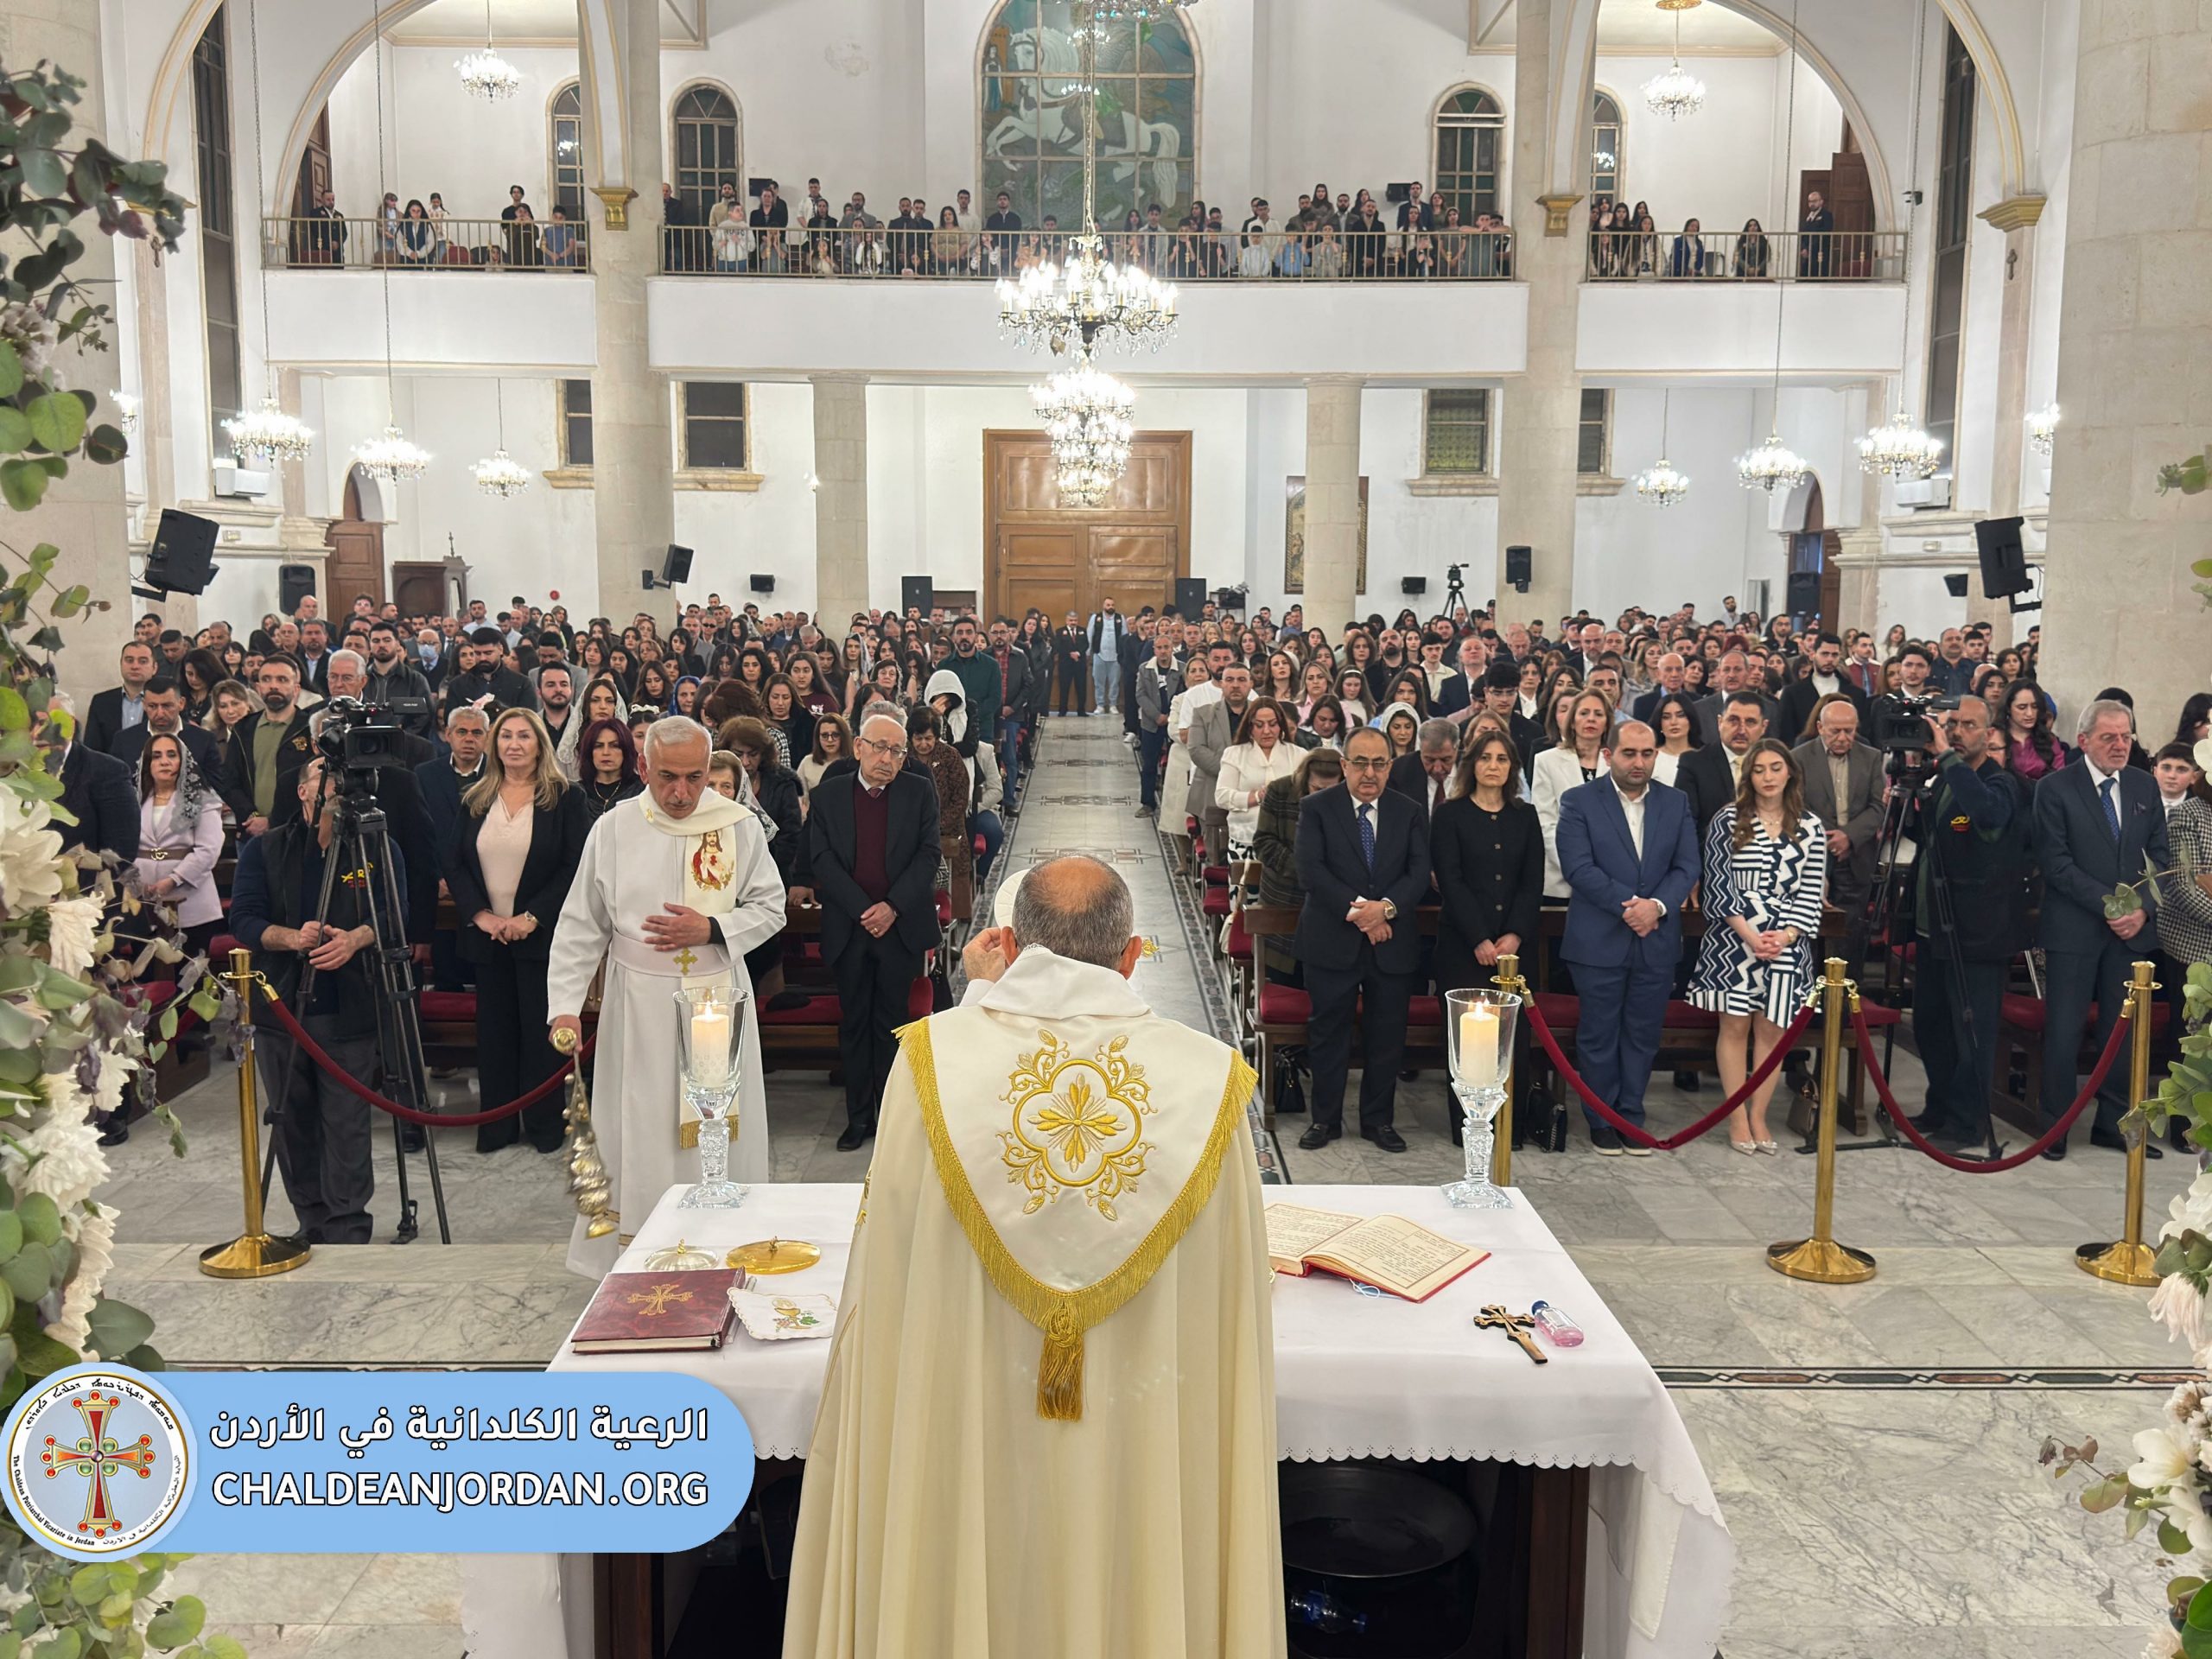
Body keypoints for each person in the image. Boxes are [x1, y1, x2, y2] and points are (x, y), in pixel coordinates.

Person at [783, 856, 1281, 1659]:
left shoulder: (931, 1062)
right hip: (1142, 1413)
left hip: (973, 1414)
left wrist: (979, 996)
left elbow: (890, 1268)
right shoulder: (1209, 1079)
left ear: (1010, 946)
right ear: (1132, 956)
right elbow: (1232, 1288)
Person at [545, 718, 785, 1275]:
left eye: (695, 778)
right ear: (643, 767)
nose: (681, 793)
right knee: (641, 1125)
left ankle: (721, 1245)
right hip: (638, 1005)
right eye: (667, 777)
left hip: (715, 998)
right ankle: (639, 1253)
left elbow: (771, 907)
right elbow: (582, 922)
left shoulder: (737, 826)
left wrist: (713, 928)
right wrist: (564, 1004)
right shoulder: (614, 828)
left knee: (716, 1126)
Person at [230, 759, 403, 1245]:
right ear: (303, 790)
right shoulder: (265, 849)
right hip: (282, 1007)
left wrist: (355, 939)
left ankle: (348, 1224)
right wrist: (291, 937)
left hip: (350, 1004)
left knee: (347, 1122)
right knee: (292, 1121)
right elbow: (243, 919)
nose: (337, 781)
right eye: (326, 773)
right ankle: (311, 1219)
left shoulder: (376, 845)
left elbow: (396, 913)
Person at [2033, 698, 2173, 1159]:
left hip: (2131, 933)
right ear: (2084, 740)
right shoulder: (2055, 788)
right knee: (2065, 1030)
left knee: (2123, 1030)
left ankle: (2113, 1124)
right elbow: (2056, 863)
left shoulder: (2143, 786)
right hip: (2074, 929)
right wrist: (2112, 906)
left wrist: (2143, 910)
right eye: (2109, 737)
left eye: (2126, 736)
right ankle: (2054, 1127)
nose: (2120, 745)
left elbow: (2161, 858)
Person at [797, 711, 942, 1149]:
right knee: (855, 1024)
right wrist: (866, 910)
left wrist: (892, 907)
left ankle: (893, 1120)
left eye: (897, 751)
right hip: (850, 927)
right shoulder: (829, 795)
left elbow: (928, 855)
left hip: (900, 928)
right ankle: (859, 1119)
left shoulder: (918, 791)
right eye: (880, 748)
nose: (887, 759)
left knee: (893, 1025)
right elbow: (822, 859)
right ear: (858, 747)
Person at [448, 709, 591, 1155]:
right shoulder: (475, 797)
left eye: (523, 736)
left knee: (538, 1036)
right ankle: (498, 1128)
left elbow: (574, 864)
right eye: (505, 736)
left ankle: (545, 1128)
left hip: (541, 936)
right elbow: (454, 862)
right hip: (488, 936)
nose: (513, 744)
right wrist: (481, 915)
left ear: (539, 744)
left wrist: (532, 917)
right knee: (494, 1036)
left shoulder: (565, 798)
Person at [1554, 721, 1700, 1153]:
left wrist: (1657, 907)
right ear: (1608, 755)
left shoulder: (1675, 802)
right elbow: (1578, 867)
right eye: (1629, 753)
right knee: (1599, 1034)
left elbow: (1687, 866)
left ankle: (1631, 1116)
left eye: (1647, 753)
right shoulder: (1578, 800)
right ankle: (1602, 1119)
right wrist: (1631, 907)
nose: (1639, 762)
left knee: (1642, 1033)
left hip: (1656, 938)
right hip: (1598, 939)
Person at [1293, 725, 1431, 1152]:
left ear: (1390, 767)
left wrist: (1385, 909)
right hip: (1331, 939)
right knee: (1328, 1032)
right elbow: (1311, 871)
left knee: (1386, 1035)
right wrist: (1363, 914)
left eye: (1378, 764)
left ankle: (1378, 1121)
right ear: (1344, 765)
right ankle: (1325, 1120)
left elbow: (1417, 873)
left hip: (1391, 942)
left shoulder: (1409, 811)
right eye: (1360, 763)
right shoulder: (1317, 807)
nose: (1369, 773)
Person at [1688, 740, 1827, 1152]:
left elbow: (1811, 891)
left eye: (1775, 768)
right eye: (1759, 769)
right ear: (1748, 776)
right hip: (1734, 940)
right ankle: (1736, 1118)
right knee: (1734, 1027)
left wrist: (1786, 935)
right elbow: (1718, 884)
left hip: (1787, 942)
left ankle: (1758, 1116)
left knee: (1772, 1030)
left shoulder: (1811, 826)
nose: (1768, 777)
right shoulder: (1728, 819)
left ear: (1790, 773)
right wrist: (1750, 935)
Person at [1906, 696, 2031, 1147]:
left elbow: (1988, 817)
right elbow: (1931, 838)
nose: (1958, 732)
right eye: (1952, 724)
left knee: (1970, 1032)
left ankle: (1968, 1123)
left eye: (1969, 725)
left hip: (1977, 933)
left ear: (1990, 733)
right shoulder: (1945, 778)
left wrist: (1947, 758)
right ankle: (1940, 1107)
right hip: (1935, 929)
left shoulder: (2001, 783)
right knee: (1930, 1025)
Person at [1431, 730, 1542, 1140]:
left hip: (1514, 951)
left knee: (1511, 1041)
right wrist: (1478, 937)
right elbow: (1451, 880)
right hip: (1462, 947)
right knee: (1466, 1043)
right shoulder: (1450, 815)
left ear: (1512, 767)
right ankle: (1469, 1127)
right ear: (1472, 764)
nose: (1493, 766)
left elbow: (1532, 882)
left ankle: (1511, 1128)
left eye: (1502, 759)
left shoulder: (1525, 816)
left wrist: (1514, 934)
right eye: (1485, 758)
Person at [1793, 696, 1885, 932]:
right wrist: (1831, 838)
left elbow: (1878, 806)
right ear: (1820, 727)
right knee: (1810, 931)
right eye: (1835, 731)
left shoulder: (1872, 757)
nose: (1843, 738)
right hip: (1812, 855)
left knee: (1851, 933)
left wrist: (1849, 837)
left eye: (1849, 731)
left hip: (1857, 855)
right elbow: (1796, 806)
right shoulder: (1798, 757)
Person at [133, 732, 224, 957]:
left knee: (188, 969)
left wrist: (173, 879)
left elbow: (209, 849)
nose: (164, 761)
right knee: (145, 971)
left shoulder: (202, 799)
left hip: (190, 898)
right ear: (147, 763)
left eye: (171, 755)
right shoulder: (134, 800)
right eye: (157, 756)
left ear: (183, 761)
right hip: (142, 899)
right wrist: (134, 882)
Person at [1213, 697, 1300, 852]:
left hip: (1289, 840)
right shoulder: (1234, 754)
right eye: (1259, 725)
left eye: (1273, 724)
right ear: (1250, 728)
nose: (1266, 731)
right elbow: (1222, 796)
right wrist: (1257, 797)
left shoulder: (1299, 755)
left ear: (1281, 726)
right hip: (1245, 839)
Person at [1133, 632, 1180, 817]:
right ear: (1154, 650)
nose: (1163, 651)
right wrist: (1156, 715)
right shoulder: (1145, 669)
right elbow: (1141, 695)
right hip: (1151, 723)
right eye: (1159, 648)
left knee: (1175, 765)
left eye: (1166, 647)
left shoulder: (1182, 669)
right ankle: (1148, 803)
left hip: (1174, 722)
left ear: (1172, 649)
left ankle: (1173, 806)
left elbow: (1182, 694)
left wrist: (1170, 716)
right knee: (1149, 765)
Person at [85, 639, 158, 755]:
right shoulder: (101, 702)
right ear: (121, 664)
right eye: (129, 660)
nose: (135, 666)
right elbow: (92, 749)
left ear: (154, 668)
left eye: (143, 661)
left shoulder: (164, 702)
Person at [1389, 716, 1459, 824]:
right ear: (1420, 749)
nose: (1437, 769)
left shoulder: (1473, 769)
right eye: (1430, 760)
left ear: (1456, 748)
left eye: (1445, 760)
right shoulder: (1398, 772)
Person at [573, 717, 643, 820]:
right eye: (598, 746)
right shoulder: (576, 793)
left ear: (626, 750)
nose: (606, 752)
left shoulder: (641, 791)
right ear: (590, 752)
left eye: (615, 746)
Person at [1087, 600, 1128, 717]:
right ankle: (1100, 705)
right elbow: (1090, 634)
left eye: (1113, 605)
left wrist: (1124, 653)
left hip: (1115, 656)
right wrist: (1088, 652)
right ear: (1103, 606)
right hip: (1099, 654)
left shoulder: (1120, 618)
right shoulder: (1096, 618)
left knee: (1114, 682)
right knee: (1098, 682)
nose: (1111, 607)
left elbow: (1125, 636)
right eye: (1108, 605)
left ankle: (1112, 705)